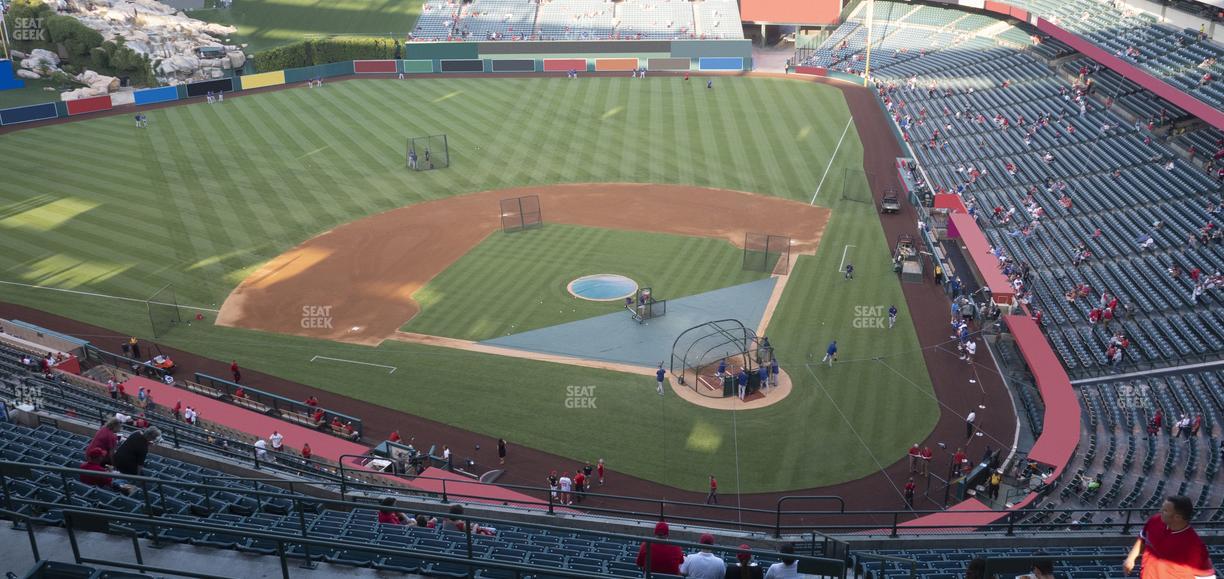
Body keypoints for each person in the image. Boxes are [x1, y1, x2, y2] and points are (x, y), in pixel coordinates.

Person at [1123, 496, 1216, 577]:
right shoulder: (1155, 520)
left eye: (1165, 511)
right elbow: (1142, 538)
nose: (1160, 511)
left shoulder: (1194, 547)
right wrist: (1131, 558)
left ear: (1177, 517)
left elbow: (1207, 575)